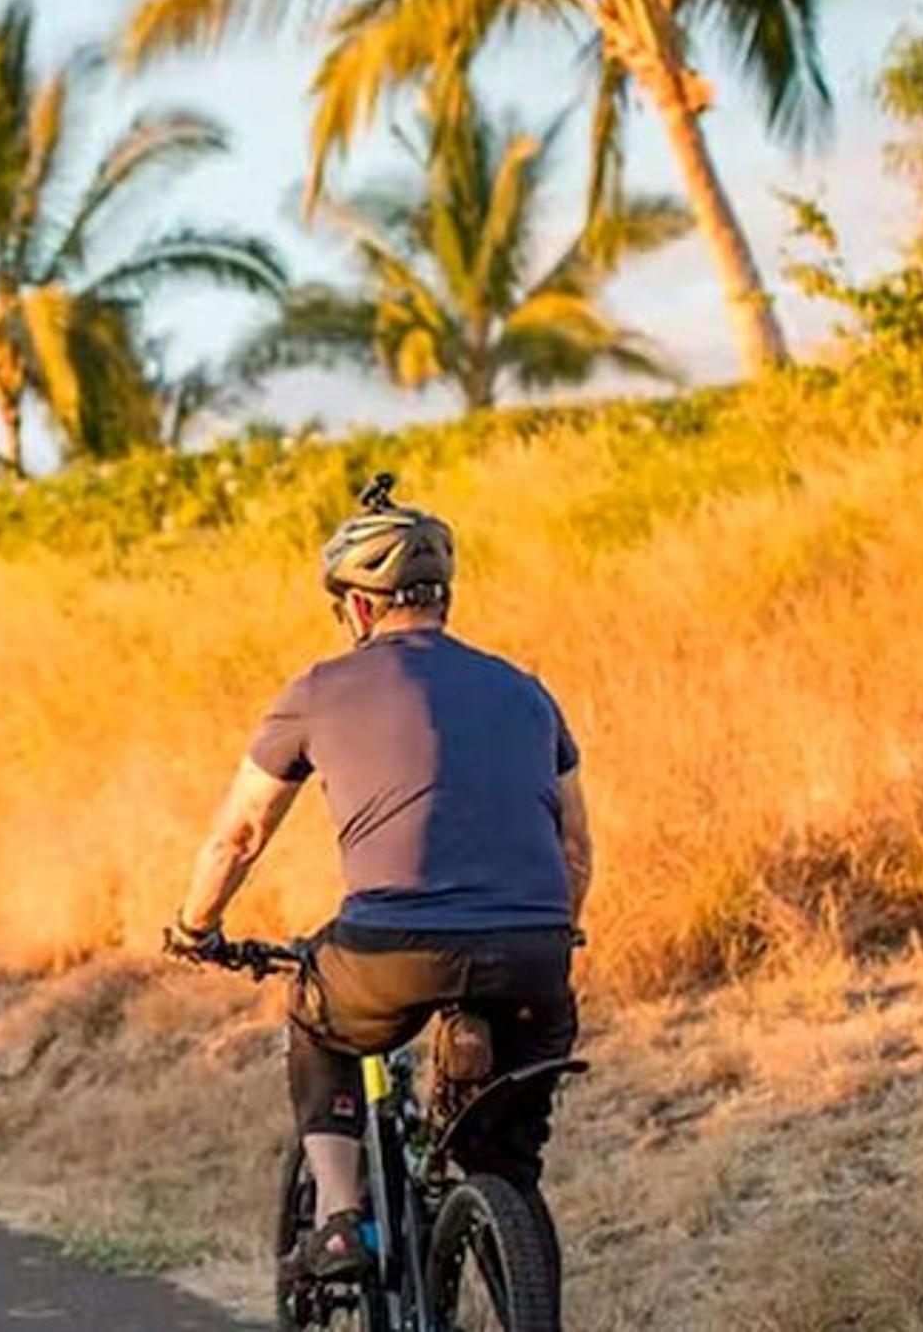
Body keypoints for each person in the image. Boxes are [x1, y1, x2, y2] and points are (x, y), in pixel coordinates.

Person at [168, 474, 592, 1282]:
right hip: (534, 952)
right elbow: (575, 848)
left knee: (318, 1019)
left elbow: (241, 833)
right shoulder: (528, 693)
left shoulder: (319, 688)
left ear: (359, 606)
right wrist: (549, 929)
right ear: (442, 595)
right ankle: (505, 1230)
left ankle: (338, 1217)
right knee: (504, 1160)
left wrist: (195, 927)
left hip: (390, 949)